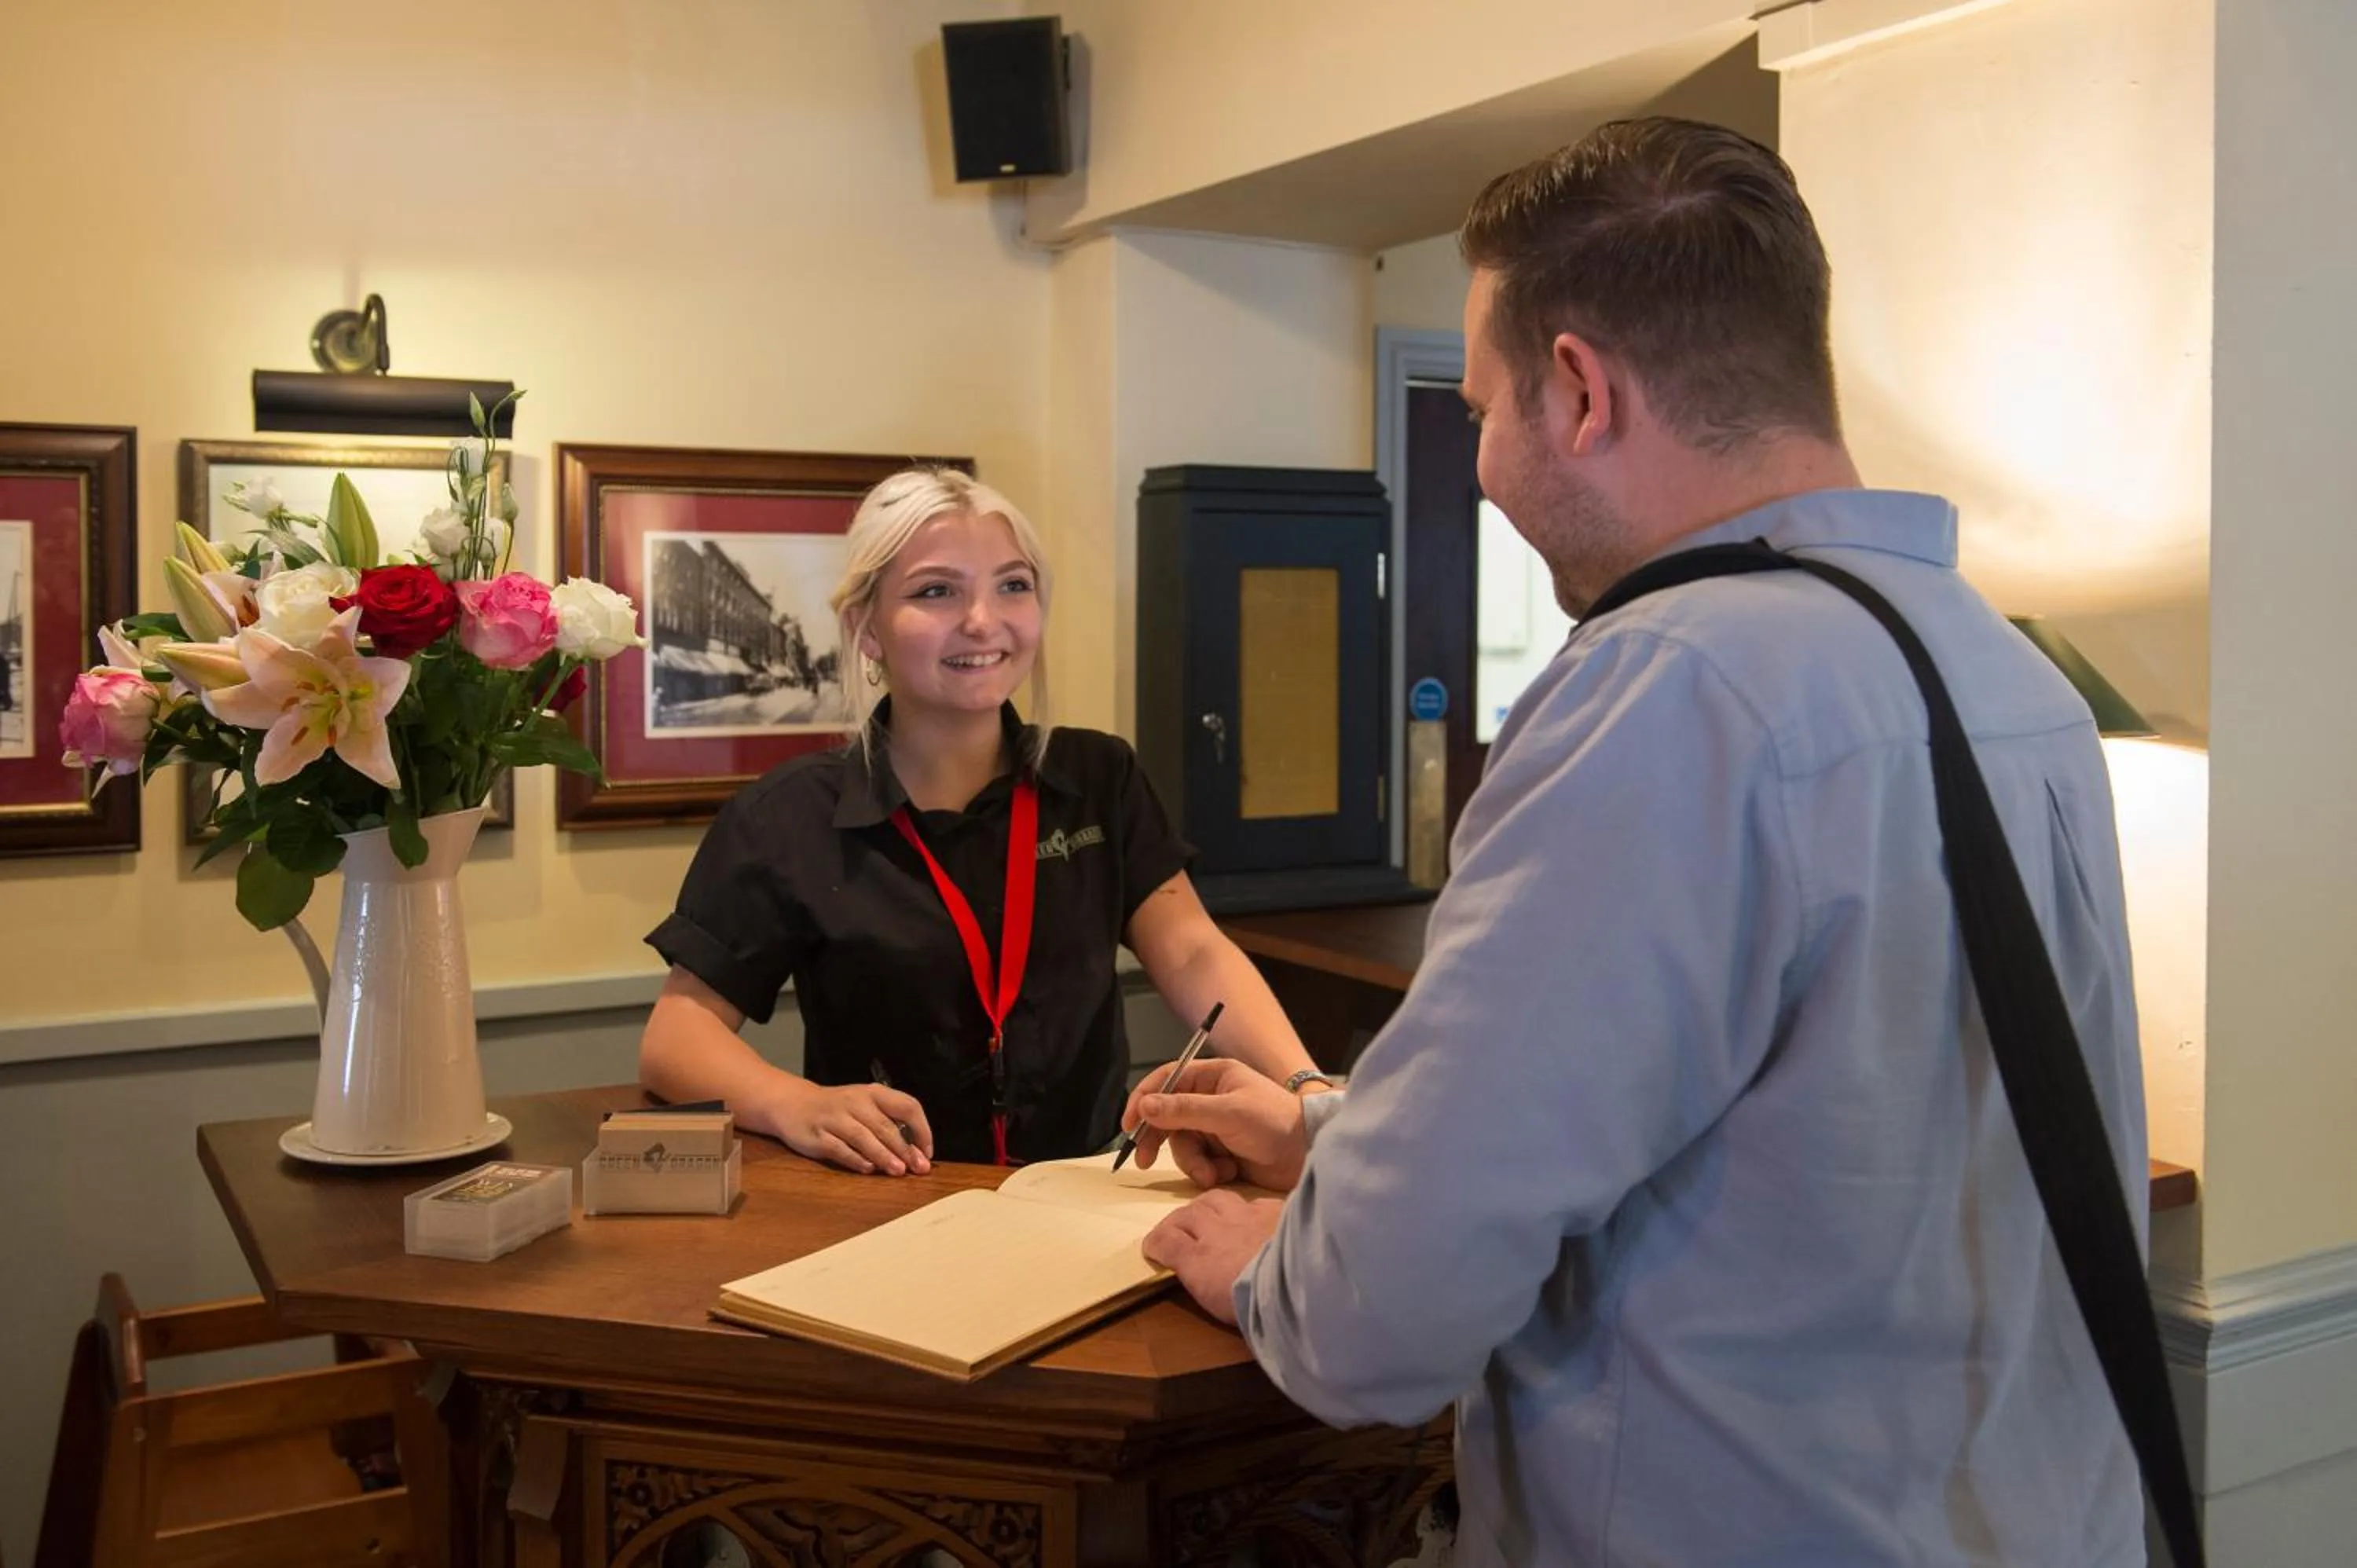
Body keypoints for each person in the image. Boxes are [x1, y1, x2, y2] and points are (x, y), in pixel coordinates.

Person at [1129, 118, 2148, 1566]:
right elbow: (1803, 1139)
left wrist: (1277, 1272)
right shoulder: (2015, 678)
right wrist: (1320, 1135)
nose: (1481, 459)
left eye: (1484, 409)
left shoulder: (1669, 689)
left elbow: (1376, 1323)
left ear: (1582, 391)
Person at [640, 467, 1330, 1175]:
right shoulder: (786, 816)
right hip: (886, 1205)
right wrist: (791, 1102)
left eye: (1013, 585)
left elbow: (1191, 952)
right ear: (865, 628)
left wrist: (1306, 1095)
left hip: (1087, 1191)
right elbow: (676, 1037)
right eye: (936, 591)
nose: (982, 620)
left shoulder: (1099, 778)